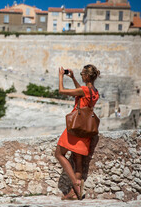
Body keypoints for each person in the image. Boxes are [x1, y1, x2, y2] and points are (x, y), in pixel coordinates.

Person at [55, 64, 100, 200]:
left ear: (86, 76)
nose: (81, 76)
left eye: (81, 75)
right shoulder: (95, 92)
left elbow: (61, 91)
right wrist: (73, 78)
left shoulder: (85, 90)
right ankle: (74, 193)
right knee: (77, 158)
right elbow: (80, 91)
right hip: (86, 128)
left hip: (75, 127)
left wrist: (61, 76)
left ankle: (75, 184)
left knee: (58, 153)